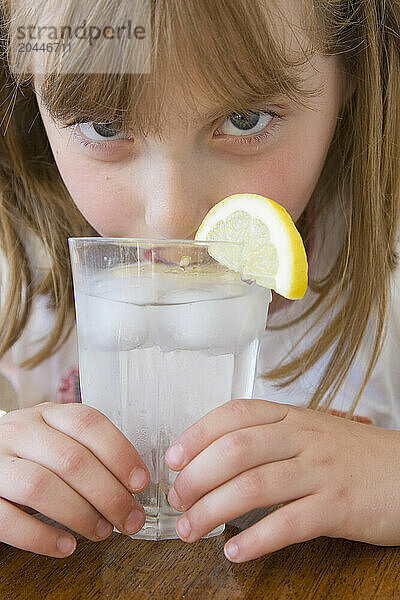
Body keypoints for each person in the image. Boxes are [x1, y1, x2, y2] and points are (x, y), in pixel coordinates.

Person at [0, 0, 399, 563]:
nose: (172, 218)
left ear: (354, 70)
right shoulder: (16, 253)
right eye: (105, 125)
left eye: (245, 119)